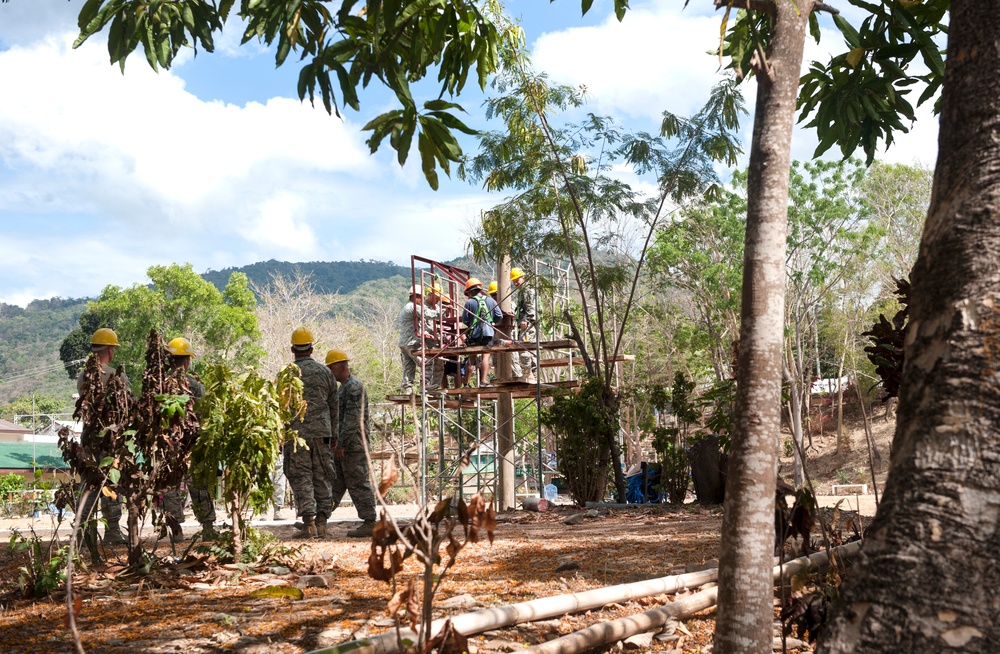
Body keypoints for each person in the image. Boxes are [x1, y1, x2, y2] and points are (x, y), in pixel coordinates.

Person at [160, 337, 217, 543]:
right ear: (186, 361)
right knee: (198, 483)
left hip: (167, 444)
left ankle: (175, 530)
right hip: (192, 443)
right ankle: (208, 527)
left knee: (170, 485)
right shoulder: (195, 385)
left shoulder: (159, 384)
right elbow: (205, 416)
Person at [75, 327, 127, 546]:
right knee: (111, 482)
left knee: (88, 483)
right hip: (109, 437)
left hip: (88, 437)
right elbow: (126, 405)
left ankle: (83, 534)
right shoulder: (115, 375)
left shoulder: (82, 376)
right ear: (110, 350)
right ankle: (113, 531)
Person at [285, 327, 338, 538]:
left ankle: (308, 524)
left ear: (292, 349)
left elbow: (280, 406)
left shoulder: (287, 373)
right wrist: (334, 435)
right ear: (311, 348)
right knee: (322, 475)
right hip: (322, 434)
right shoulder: (326, 372)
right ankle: (322, 523)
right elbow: (334, 406)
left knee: (302, 476)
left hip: (297, 436)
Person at [325, 349, 378, 538]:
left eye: (331, 370)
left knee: (358, 482)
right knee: (336, 483)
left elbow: (352, 419)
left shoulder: (354, 387)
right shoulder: (344, 387)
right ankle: (320, 520)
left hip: (353, 447)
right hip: (346, 446)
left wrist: (342, 444)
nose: (330, 374)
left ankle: (370, 521)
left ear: (339, 368)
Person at [397, 284, 443, 394]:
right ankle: (425, 386)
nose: (422, 300)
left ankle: (408, 388)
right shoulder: (413, 307)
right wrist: (441, 310)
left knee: (409, 365)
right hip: (412, 343)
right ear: (416, 296)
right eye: (421, 298)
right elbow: (429, 314)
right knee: (427, 362)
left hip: (404, 343)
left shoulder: (406, 307)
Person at [461, 278, 502, 387]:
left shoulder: (469, 303)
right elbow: (499, 316)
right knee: (485, 356)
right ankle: (483, 381)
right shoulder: (491, 301)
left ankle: (467, 383)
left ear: (471, 291)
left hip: (474, 335)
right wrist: (491, 321)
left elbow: (464, 319)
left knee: (472, 357)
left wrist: (472, 323)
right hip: (488, 334)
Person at [510, 267, 539, 384]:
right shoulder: (524, 291)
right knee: (531, 348)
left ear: (523, 277)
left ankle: (528, 374)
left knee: (524, 348)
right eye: (514, 281)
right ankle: (533, 374)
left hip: (528, 323)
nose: (516, 283)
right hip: (530, 322)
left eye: (517, 280)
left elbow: (530, 307)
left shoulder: (527, 290)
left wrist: (525, 320)